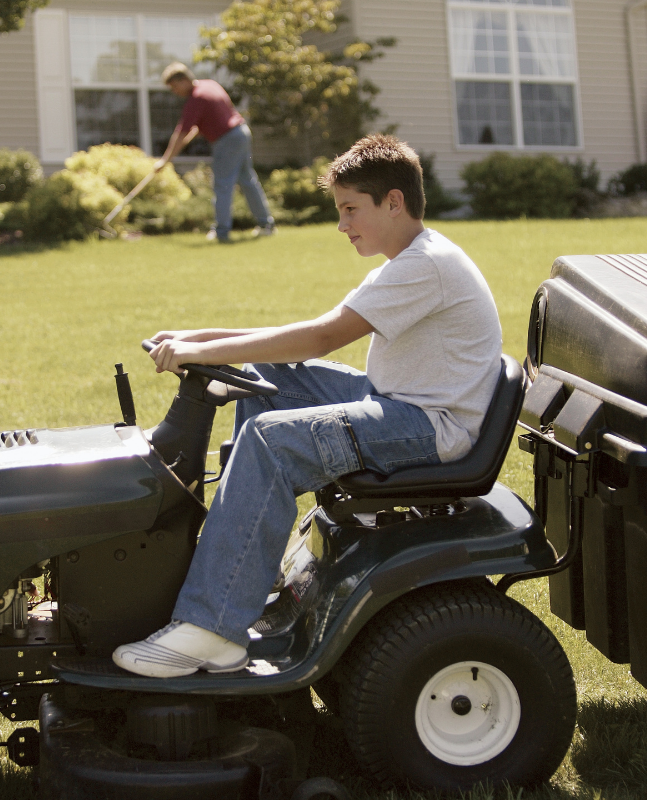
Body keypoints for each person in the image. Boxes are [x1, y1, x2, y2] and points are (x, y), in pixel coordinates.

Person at [112, 134, 502, 678]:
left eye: (349, 210)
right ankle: (246, 557)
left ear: (393, 201)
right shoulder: (412, 257)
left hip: (430, 428)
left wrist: (201, 349)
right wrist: (201, 336)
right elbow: (302, 336)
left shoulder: (425, 266)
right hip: (399, 402)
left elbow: (319, 339)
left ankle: (212, 630)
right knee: (265, 378)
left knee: (271, 439)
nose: (342, 225)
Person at [160, 62, 276, 243]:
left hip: (227, 139)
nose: (175, 92)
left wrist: (165, 160)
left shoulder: (196, 98)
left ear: (183, 80)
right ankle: (266, 225)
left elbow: (181, 131)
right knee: (247, 180)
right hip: (241, 132)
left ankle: (221, 231)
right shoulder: (209, 85)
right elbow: (200, 125)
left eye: (175, 87)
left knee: (222, 184)